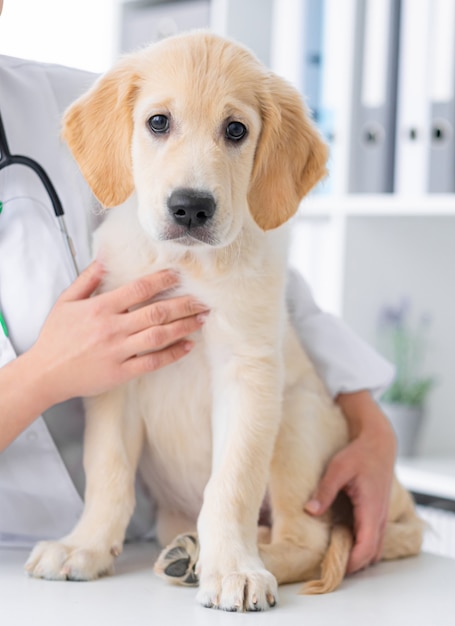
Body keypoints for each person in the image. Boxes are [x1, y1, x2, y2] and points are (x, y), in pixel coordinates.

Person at [0, 0, 396, 574]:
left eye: (234, 130)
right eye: (160, 126)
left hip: (155, 543)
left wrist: (371, 425)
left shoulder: (96, 94)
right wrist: (43, 374)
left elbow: (271, 291)